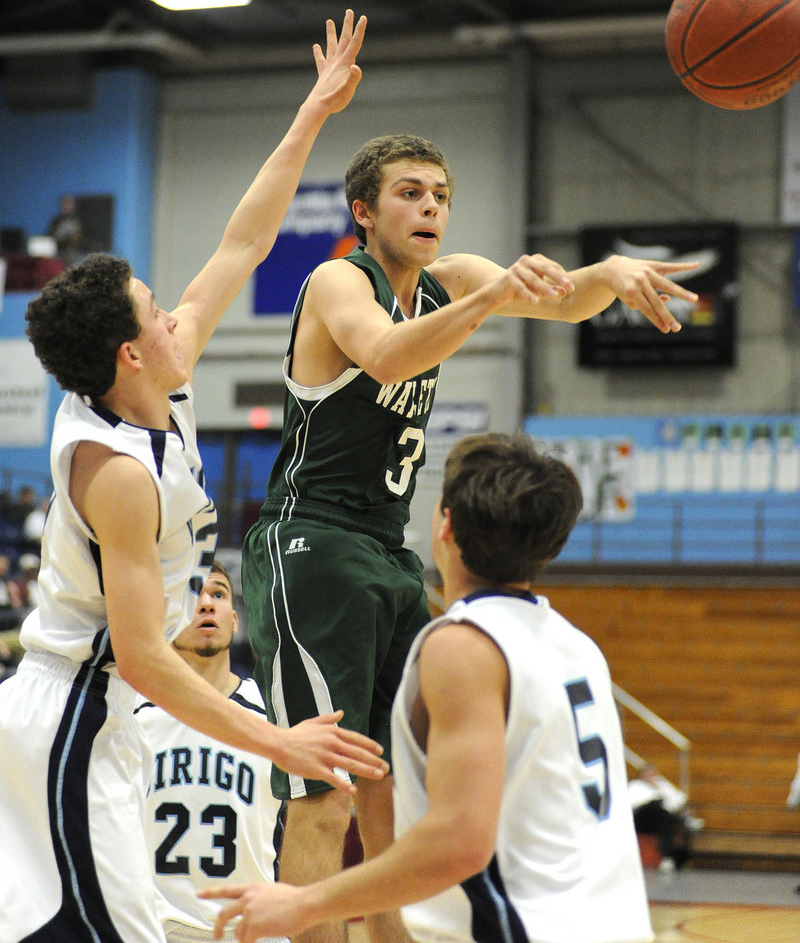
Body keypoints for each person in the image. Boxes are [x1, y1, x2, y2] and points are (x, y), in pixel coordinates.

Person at [241, 132, 699, 941]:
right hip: (310, 542)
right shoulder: (338, 280)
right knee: (326, 791)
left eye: (441, 195)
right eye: (410, 193)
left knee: (393, 792)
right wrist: (487, 301)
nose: (430, 208)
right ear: (364, 211)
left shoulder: (450, 280)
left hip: (389, 549)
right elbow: (384, 357)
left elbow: (561, 300)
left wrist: (613, 275)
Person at [0, 10, 389, 943]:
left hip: (110, 721)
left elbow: (242, 244)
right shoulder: (118, 472)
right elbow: (140, 655)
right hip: (71, 712)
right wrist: (276, 739)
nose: (179, 315)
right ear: (132, 354)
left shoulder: (148, 390)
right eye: (157, 314)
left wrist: (313, 110)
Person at [204, 432, 654, 942]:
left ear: (445, 525)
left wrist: (303, 904)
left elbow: (460, 841)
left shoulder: (463, 646)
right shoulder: (579, 647)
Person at [135, 560, 288, 943]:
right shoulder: (132, 716)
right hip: (156, 928)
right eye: (192, 594)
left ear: (235, 620)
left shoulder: (273, 716)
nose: (206, 604)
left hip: (252, 928)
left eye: (217, 594)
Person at [628, 763, 701, 871]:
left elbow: (680, 799)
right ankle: (685, 820)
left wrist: (659, 789)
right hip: (642, 818)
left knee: (668, 818)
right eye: (647, 774)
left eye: (652, 774)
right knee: (656, 805)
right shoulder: (635, 786)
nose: (650, 777)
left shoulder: (662, 785)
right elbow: (633, 804)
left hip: (662, 819)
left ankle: (671, 856)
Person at [47, 193, 83, 265]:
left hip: (72, 252)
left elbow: (79, 236)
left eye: (69, 204)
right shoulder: (56, 220)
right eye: (65, 204)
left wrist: (73, 237)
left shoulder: (77, 219)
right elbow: (51, 234)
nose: (67, 206)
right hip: (58, 251)